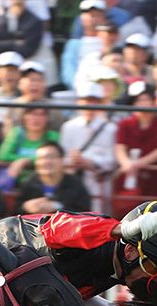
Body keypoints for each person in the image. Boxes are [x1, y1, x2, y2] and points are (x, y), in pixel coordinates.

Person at [0, 200, 157, 300]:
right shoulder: (93, 235)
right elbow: (56, 228)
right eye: (154, 267)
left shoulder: (132, 270)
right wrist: (121, 229)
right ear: (131, 251)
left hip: (40, 297)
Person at [59, 82, 116, 212]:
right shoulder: (68, 127)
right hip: (73, 179)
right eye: (85, 100)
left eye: (94, 101)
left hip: (96, 180)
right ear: (79, 102)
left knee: (97, 215)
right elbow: (62, 156)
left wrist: (91, 162)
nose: (89, 105)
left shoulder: (110, 128)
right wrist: (73, 160)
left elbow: (112, 160)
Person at [115, 81, 157, 198]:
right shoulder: (125, 124)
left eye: (146, 99)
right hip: (128, 176)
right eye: (139, 100)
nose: (143, 104)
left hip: (153, 178)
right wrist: (126, 163)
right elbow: (120, 146)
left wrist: (136, 165)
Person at [15, 140, 91, 213]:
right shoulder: (28, 183)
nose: (46, 162)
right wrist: (26, 207)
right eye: (41, 158)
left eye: (51, 156)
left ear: (62, 159)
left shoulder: (75, 184)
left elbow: (84, 212)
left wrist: (58, 207)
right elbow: (15, 212)